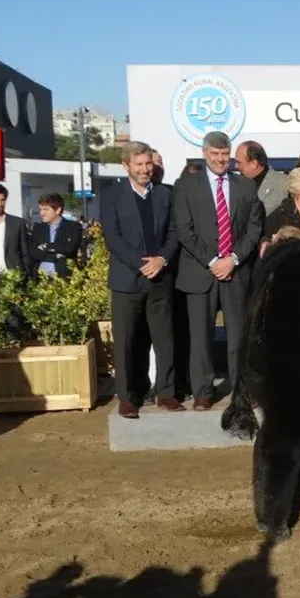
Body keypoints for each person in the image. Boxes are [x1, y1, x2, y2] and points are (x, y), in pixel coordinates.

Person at [173, 131, 264, 410]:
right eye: (215, 154)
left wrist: (233, 259)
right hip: (200, 271)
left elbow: (254, 228)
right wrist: (213, 261)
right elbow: (184, 230)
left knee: (238, 336)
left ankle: (240, 391)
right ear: (204, 153)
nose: (221, 159)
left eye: (225, 154)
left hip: (236, 271)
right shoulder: (186, 185)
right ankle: (202, 391)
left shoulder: (245, 186)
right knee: (201, 336)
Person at [100, 141, 183, 418]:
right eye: (139, 164)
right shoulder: (112, 195)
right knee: (127, 342)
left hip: (160, 277)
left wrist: (162, 259)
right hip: (127, 281)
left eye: (148, 163)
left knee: (164, 339)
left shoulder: (164, 195)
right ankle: (128, 397)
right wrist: (141, 263)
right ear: (126, 166)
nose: (145, 169)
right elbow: (113, 237)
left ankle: (167, 393)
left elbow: (174, 232)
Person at [27, 193, 83, 278]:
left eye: (46, 209)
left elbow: (68, 249)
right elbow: (33, 252)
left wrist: (46, 246)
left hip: (64, 277)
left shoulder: (73, 226)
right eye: (40, 209)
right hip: (40, 277)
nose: (42, 213)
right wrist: (55, 256)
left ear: (58, 210)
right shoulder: (38, 228)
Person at [234, 140, 288, 217]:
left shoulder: (284, 184)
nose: (235, 166)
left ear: (254, 164)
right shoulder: (236, 184)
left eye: (239, 162)